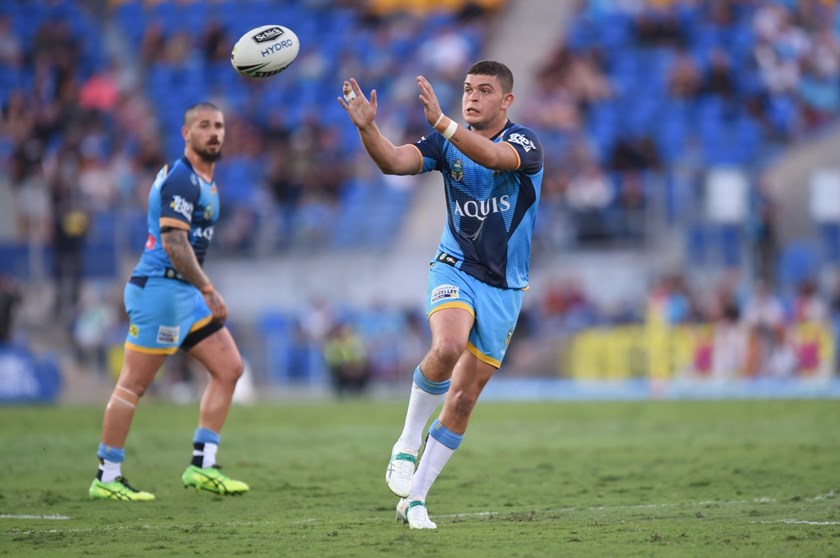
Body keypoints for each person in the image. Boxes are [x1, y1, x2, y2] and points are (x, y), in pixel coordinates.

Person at [339, 60, 543, 529]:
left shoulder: (525, 142)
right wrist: (368, 129)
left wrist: (444, 124)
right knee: (448, 346)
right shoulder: (444, 141)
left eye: (484, 90)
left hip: (505, 286)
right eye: (468, 89)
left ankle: (414, 500)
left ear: (507, 101)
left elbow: (494, 159)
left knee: (465, 398)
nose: (472, 97)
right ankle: (406, 443)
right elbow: (394, 162)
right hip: (454, 267)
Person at [89, 102, 249, 501]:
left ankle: (203, 466)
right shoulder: (182, 179)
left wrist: (199, 291)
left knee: (229, 368)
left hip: (184, 294)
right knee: (133, 385)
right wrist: (208, 289)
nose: (214, 133)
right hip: (160, 292)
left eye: (219, 126)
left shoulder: (204, 179)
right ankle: (107, 476)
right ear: (186, 133)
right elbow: (175, 244)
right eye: (204, 126)